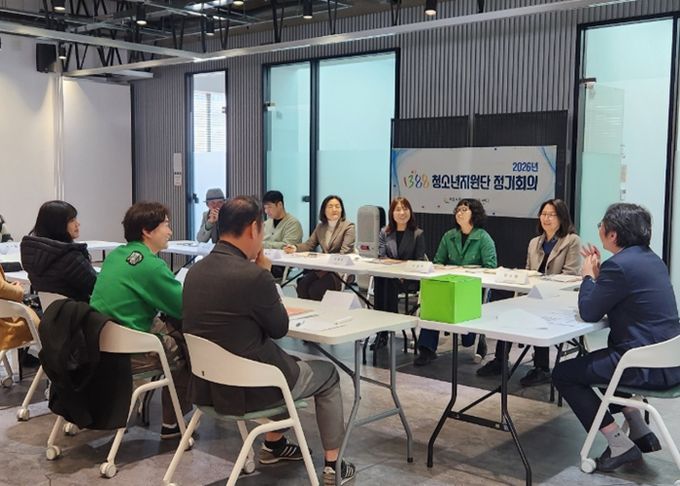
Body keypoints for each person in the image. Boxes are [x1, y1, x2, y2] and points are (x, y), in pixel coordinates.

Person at [183, 196, 355, 484]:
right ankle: (333, 464)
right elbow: (279, 328)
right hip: (252, 388)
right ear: (253, 229)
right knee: (327, 374)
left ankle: (274, 445)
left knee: (286, 363)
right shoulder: (253, 276)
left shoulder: (196, 272)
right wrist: (266, 275)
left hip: (209, 386)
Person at [553, 203, 680, 472]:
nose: (599, 228)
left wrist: (588, 277)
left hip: (645, 367)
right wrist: (601, 278)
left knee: (565, 374)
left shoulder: (619, 266)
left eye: (602, 224)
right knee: (601, 360)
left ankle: (619, 443)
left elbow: (589, 312)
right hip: (670, 362)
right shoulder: (652, 260)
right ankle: (639, 426)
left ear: (612, 234)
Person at [90, 202, 192, 439]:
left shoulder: (116, 256)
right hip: (131, 351)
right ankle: (173, 423)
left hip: (101, 341)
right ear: (147, 230)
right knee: (189, 350)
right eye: (166, 225)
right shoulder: (150, 265)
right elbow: (184, 308)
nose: (170, 231)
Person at [477, 199, 581, 385]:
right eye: (543, 214)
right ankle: (500, 361)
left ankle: (542, 368)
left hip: (557, 297)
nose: (546, 218)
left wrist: (541, 282)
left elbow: (571, 274)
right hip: (533, 294)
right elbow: (528, 270)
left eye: (551, 215)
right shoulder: (534, 242)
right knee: (509, 312)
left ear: (562, 218)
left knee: (537, 312)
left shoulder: (571, 241)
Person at [414, 198, 497, 366]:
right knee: (433, 300)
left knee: (468, 338)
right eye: (458, 210)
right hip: (450, 285)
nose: (460, 213)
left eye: (464, 210)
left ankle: (478, 340)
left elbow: (491, 267)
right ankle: (427, 348)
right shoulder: (449, 236)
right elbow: (438, 262)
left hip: (471, 288)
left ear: (474, 214)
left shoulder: (483, 237)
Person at [372, 197, 426, 349]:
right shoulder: (385, 232)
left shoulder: (417, 234)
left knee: (386, 281)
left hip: (408, 279)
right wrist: (395, 268)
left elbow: (419, 260)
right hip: (389, 277)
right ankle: (383, 328)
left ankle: (385, 329)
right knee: (381, 279)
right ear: (392, 213)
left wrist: (400, 269)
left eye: (405, 209)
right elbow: (381, 256)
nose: (402, 213)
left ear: (410, 212)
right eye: (398, 209)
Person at [20, 201, 97, 302]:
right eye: (72, 220)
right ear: (57, 225)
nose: (77, 224)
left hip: (49, 310)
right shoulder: (71, 258)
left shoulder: (32, 254)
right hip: (78, 309)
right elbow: (99, 289)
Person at [283, 195, 355, 301]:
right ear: (324, 210)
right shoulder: (321, 227)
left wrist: (323, 260)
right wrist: (294, 248)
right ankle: (306, 310)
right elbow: (309, 245)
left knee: (316, 290)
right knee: (302, 286)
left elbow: (345, 252)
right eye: (330, 206)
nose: (334, 209)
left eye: (337, 206)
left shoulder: (349, 227)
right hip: (322, 268)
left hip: (339, 271)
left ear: (342, 209)